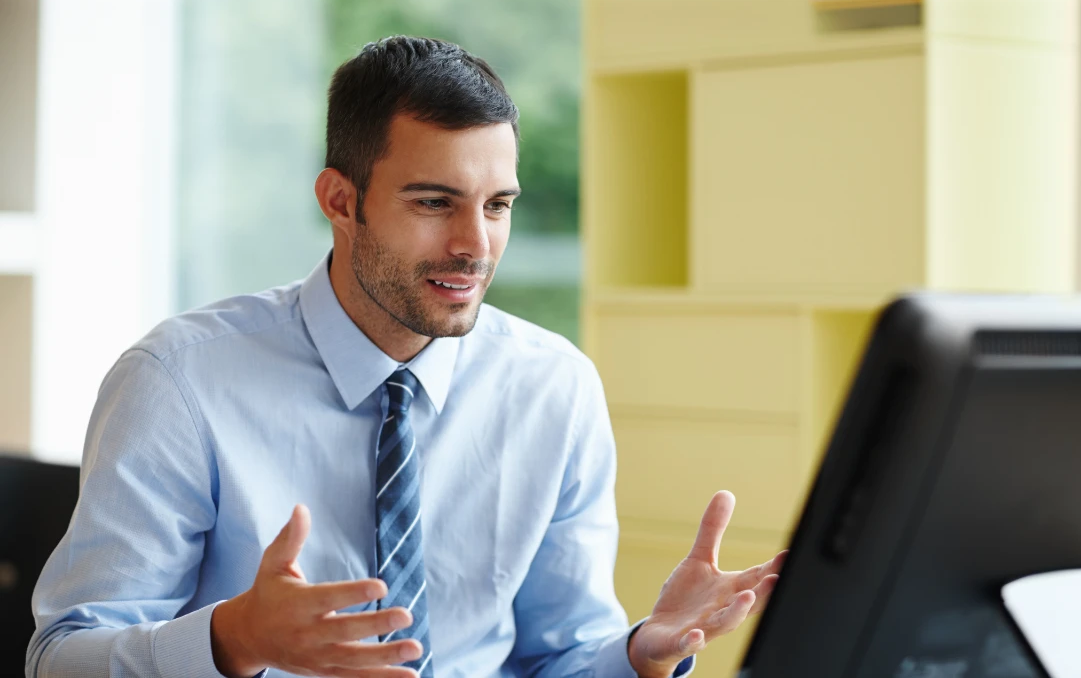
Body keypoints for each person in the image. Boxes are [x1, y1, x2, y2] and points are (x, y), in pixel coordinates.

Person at [26, 36, 784, 678]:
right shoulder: (180, 381)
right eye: (434, 202)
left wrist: (640, 653)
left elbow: (558, 656)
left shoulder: (554, 388)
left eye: (497, 206)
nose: (475, 245)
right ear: (340, 201)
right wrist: (233, 639)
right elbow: (60, 656)